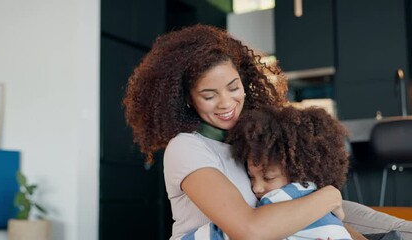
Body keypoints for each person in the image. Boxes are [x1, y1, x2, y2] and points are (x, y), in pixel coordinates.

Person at [123, 24, 412, 239]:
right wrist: (328, 196)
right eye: (209, 95)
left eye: (233, 87)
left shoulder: (251, 136)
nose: (227, 103)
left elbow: (298, 202)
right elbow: (249, 230)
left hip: (291, 218)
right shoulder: (186, 147)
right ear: (187, 98)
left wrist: (333, 210)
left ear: (244, 81)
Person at [183, 106, 354, 239]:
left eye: (268, 177)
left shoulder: (279, 199)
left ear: (298, 173)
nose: (256, 188)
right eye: (251, 177)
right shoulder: (317, 197)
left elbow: (226, 235)